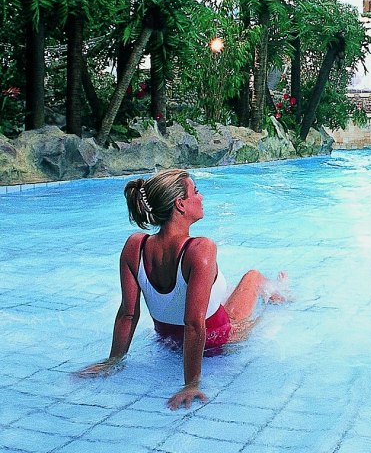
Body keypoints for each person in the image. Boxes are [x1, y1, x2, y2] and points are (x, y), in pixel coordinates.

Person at [76, 169, 286, 410]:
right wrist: (191, 383)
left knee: (223, 296)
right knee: (253, 277)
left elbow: (128, 313)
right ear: (180, 205)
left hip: (167, 341)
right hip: (220, 342)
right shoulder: (200, 249)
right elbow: (195, 324)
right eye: (195, 192)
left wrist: (113, 361)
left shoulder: (135, 246)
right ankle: (279, 289)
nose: (202, 197)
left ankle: (273, 290)